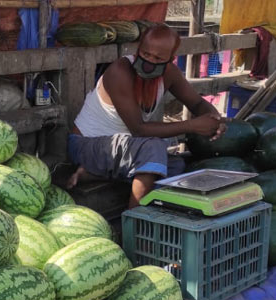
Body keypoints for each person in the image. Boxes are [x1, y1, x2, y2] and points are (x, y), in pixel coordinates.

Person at [66, 25, 226, 209]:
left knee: (175, 166)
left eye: (158, 58)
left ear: (170, 60)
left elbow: (197, 103)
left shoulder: (170, 74)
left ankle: (94, 173)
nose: (149, 61)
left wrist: (214, 118)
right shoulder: (120, 71)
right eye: (145, 54)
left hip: (121, 148)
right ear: (138, 50)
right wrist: (192, 125)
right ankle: (134, 220)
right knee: (153, 148)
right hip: (86, 145)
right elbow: (138, 129)